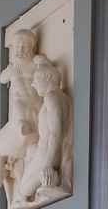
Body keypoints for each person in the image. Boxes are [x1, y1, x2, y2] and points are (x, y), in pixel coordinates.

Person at [0, 29, 49, 209]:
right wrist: (10, 67)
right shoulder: (12, 68)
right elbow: (2, 79)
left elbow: (47, 67)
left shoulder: (35, 63)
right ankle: (2, 174)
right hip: (20, 109)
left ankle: (26, 187)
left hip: (35, 107)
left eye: (24, 46)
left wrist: (40, 60)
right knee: (17, 104)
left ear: (32, 48)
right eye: (17, 46)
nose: (20, 50)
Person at [19, 62, 73, 201]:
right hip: (46, 149)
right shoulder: (64, 98)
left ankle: (51, 179)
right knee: (31, 149)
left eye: (36, 80)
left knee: (23, 188)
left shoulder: (51, 97)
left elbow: (56, 132)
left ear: (48, 77)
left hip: (47, 153)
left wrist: (47, 164)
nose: (33, 85)